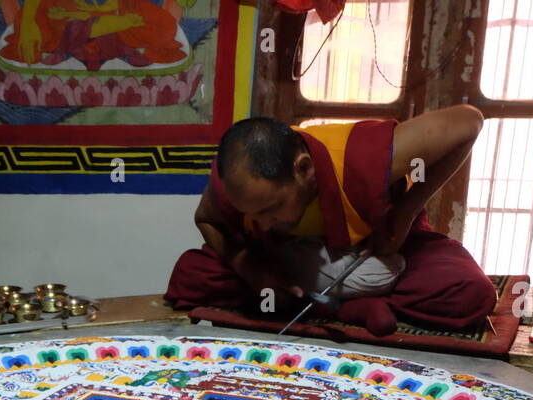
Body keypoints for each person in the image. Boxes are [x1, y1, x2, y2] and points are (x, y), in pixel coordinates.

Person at [165, 107, 497, 336]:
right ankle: (346, 307)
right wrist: (249, 267)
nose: (262, 224)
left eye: (272, 208)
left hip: (377, 241)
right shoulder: (234, 184)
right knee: (191, 275)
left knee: (469, 293)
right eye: (253, 215)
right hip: (282, 255)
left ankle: (323, 304)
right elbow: (207, 221)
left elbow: (469, 121)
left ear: (305, 169)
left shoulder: (356, 159)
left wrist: (405, 212)